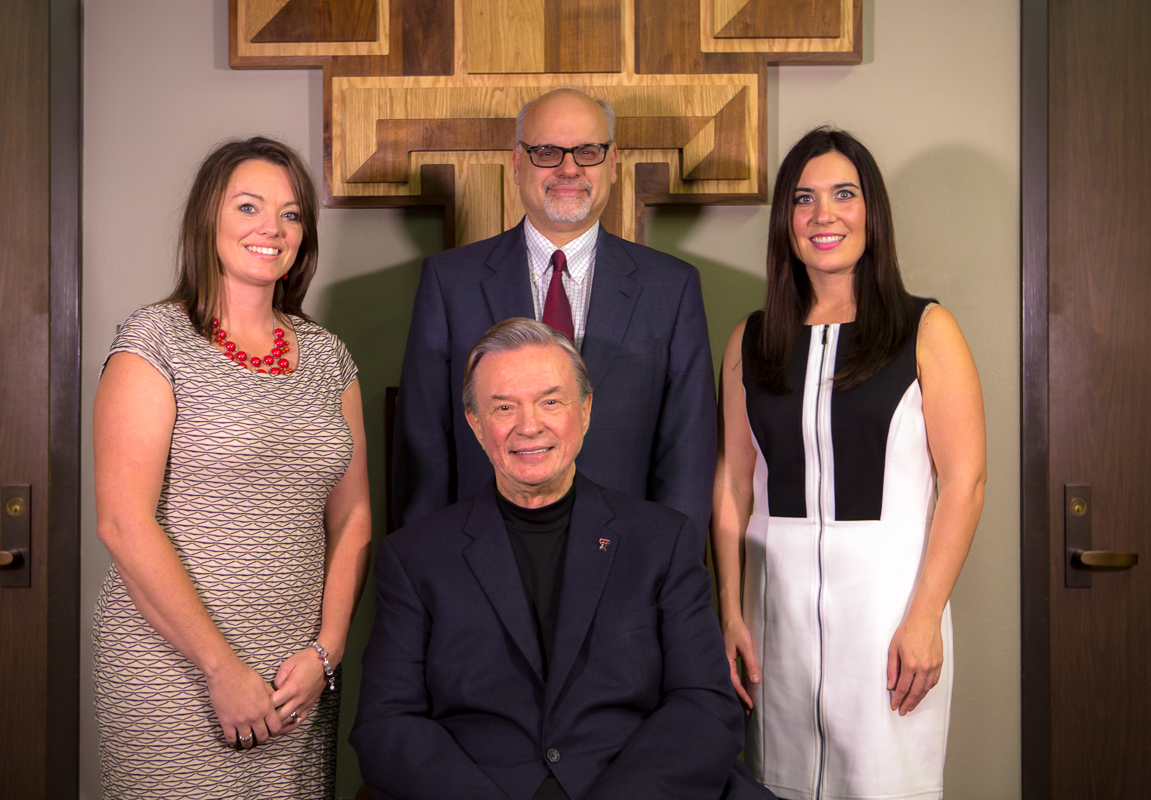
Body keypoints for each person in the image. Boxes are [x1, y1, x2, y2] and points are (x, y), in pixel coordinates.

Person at [353, 319, 772, 800]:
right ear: (474, 423)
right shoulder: (414, 557)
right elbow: (386, 724)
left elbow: (704, 706)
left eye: (550, 401)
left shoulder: (661, 540)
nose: (529, 425)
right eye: (503, 407)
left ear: (585, 410)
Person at [711, 127, 986, 800]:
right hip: (778, 616)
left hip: (890, 612)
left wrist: (925, 616)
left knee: (885, 783)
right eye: (804, 199)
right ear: (786, 221)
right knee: (777, 783)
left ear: (873, 212)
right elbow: (733, 484)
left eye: (843, 194)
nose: (823, 215)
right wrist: (730, 611)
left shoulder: (927, 330)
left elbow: (965, 482)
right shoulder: (752, 340)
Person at [92, 136, 372, 798]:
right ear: (207, 220)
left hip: (297, 675)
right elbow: (122, 523)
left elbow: (355, 516)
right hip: (176, 671)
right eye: (249, 206)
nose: (271, 229)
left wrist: (326, 654)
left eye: (292, 213)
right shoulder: (154, 342)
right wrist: (220, 669)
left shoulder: (330, 357)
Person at [392, 87, 717, 534]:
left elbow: (689, 454)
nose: (569, 168)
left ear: (613, 161)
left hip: (628, 562)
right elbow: (422, 450)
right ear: (518, 162)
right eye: (547, 151)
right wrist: (429, 578)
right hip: (478, 560)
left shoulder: (672, 286)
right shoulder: (450, 282)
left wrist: (669, 577)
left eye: (588, 151)